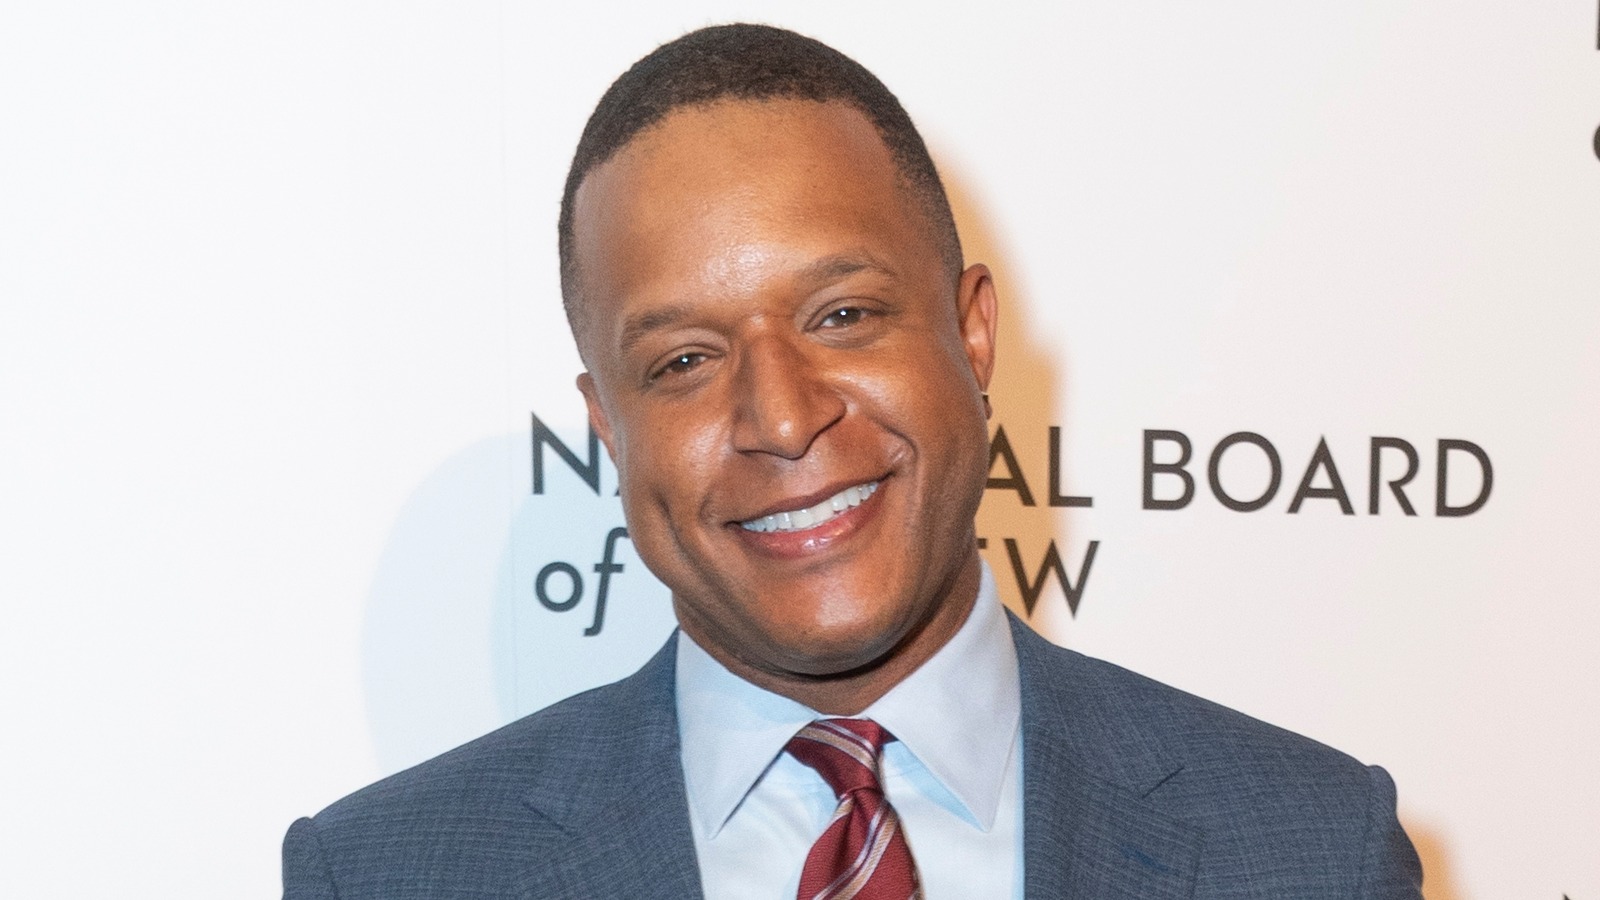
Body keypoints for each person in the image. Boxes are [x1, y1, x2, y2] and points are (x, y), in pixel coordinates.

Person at [283, 23, 1423, 899]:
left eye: (842, 316)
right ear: (609, 429)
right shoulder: (385, 875)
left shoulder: (1314, 850)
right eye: (683, 360)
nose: (781, 419)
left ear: (972, 334)